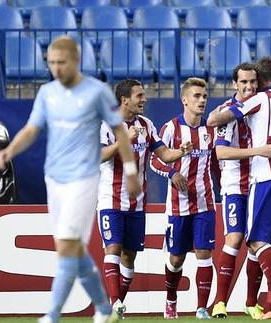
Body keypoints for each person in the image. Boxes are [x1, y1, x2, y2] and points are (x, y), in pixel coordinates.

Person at [0, 36, 141, 323]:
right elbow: (32, 129)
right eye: (51, 63)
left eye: (61, 62)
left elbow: (121, 132)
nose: (56, 68)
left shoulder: (97, 93)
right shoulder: (48, 93)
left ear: (75, 61)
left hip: (84, 179)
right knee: (72, 247)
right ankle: (102, 306)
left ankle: (52, 314)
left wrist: (132, 173)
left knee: (67, 246)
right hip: (55, 179)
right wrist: (9, 151)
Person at [208, 56, 271, 319]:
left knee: (258, 241)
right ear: (235, 83)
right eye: (244, 82)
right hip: (254, 180)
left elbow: (212, 120)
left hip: (264, 178)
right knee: (257, 241)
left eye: (253, 81)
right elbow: (221, 149)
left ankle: (270, 301)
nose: (249, 86)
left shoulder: (261, 100)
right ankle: (224, 302)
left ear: (259, 81)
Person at [97, 79, 192, 319]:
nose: (144, 99)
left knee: (130, 256)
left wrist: (181, 151)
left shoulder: (146, 125)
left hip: (137, 203)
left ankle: (116, 308)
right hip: (111, 200)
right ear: (124, 100)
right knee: (114, 248)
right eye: (139, 96)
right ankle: (115, 302)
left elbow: (164, 154)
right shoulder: (106, 124)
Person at [150, 77, 218, 320]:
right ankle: (171, 299)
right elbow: (154, 159)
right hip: (178, 206)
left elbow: (216, 162)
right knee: (176, 257)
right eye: (197, 97)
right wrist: (171, 172)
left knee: (204, 253)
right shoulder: (171, 128)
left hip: (205, 202)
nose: (202, 101)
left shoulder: (211, 130)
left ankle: (201, 308)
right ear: (184, 100)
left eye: (205, 97)